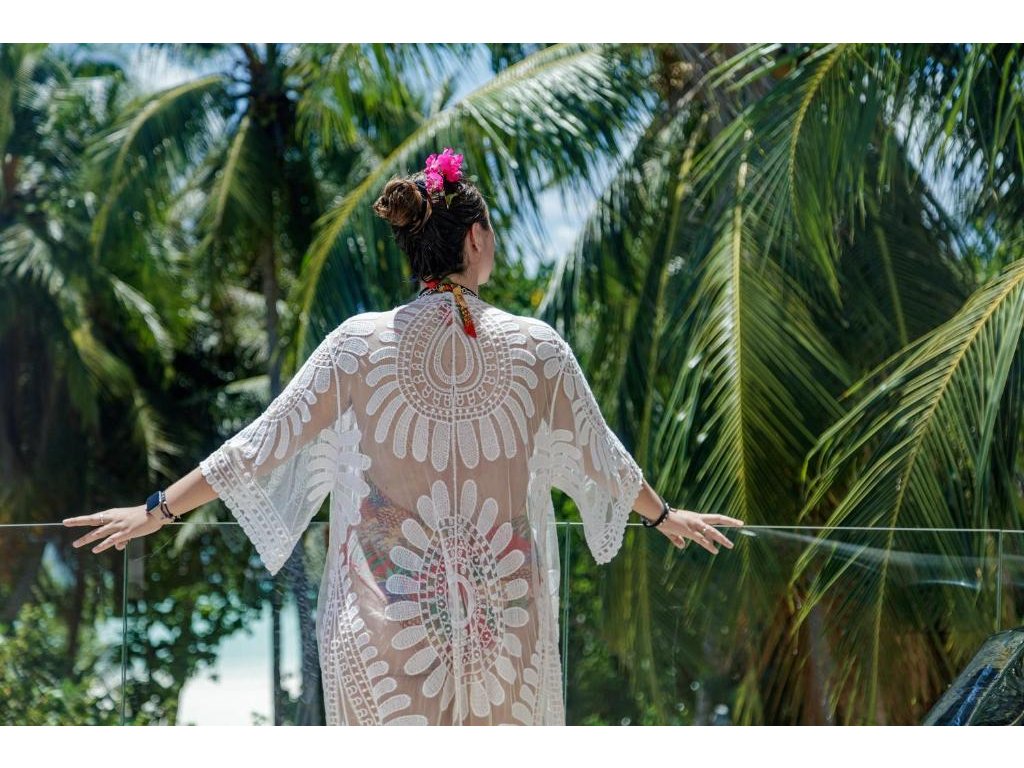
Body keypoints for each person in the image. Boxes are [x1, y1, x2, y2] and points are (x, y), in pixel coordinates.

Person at [62, 147, 744, 725]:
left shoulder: (356, 345)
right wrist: (665, 516)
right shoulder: (539, 349)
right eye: (491, 231)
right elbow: (604, 457)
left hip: (384, 642)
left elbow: (259, 445)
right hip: (505, 638)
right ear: (474, 238)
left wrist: (157, 510)